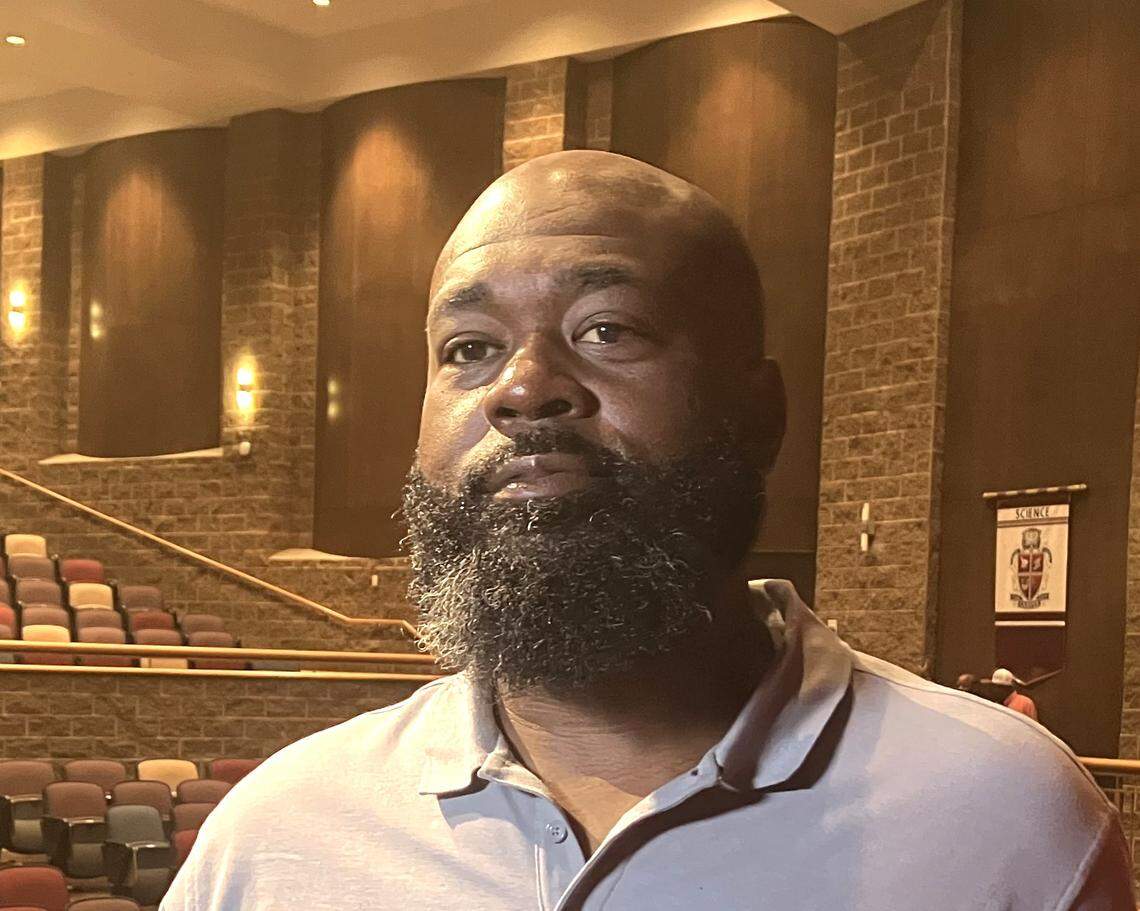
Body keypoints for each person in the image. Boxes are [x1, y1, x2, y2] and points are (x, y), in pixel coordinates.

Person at [162, 151, 1133, 909]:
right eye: (469, 348)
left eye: (606, 329)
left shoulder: (1007, 815)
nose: (524, 385)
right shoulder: (276, 834)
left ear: (759, 413)